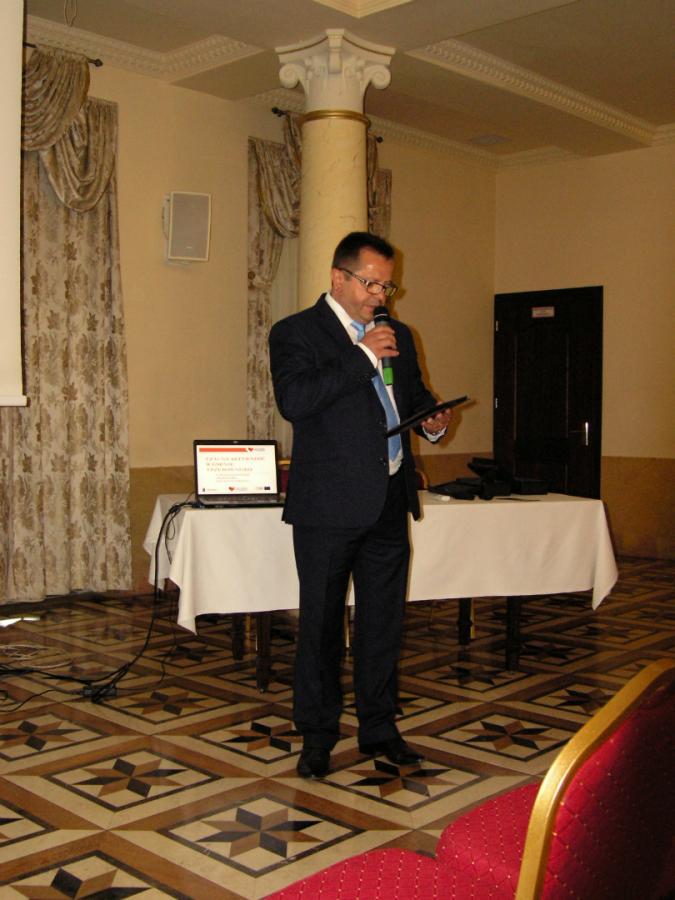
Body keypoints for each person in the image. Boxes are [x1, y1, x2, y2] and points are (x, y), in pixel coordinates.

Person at [268, 231, 453, 779]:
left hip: (389, 499)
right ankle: (317, 735)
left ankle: (379, 727)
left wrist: (433, 420)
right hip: (327, 505)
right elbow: (296, 401)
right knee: (321, 626)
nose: (380, 295)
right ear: (338, 277)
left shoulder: (398, 335)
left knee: (383, 624)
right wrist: (362, 355)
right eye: (372, 284)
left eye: (386, 286)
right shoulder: (296, 332)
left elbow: (411, 397)